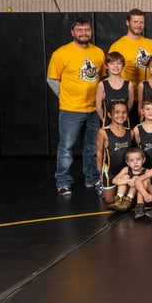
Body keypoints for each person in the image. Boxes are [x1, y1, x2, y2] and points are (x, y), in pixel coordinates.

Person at [46, 16, 106, 195]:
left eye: (87, 30)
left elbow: (101, 78)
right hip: (71, 110)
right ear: (72, 32)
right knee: (66, 148)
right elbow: (52, 79)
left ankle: (92, 178)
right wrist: (65, 96)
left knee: (92, 147)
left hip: (93, 110)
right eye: (79, 30)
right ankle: (63, 182)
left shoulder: (98, 52)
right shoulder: (61, 53)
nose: (83, 33)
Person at [108, 8, 152, 124]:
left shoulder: (151, 44)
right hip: (128, 98)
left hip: (148, 98)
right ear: (127, 23)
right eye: (135, 22)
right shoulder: (117, 46)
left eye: (141, 22)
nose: (139, 25)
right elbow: (111, 75)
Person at [95, 100, 132, 196]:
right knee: (109, 200)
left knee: (127, 197)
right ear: (109, 114)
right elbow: (99, 153)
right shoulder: (103, 132)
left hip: (126, 171)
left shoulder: (130, 132)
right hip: (110, 171)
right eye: (117, 112)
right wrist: (100, 173)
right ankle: (102, 186)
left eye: (124, 112)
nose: (121, 115)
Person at [95, 51, 134, 126]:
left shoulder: (129, 84)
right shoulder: (102, 84)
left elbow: (130, 105)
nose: (115, 66)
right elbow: (99, 107)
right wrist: (105, 122)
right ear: (106, 66)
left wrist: (121, 118)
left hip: (124, 123)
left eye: (119, 63)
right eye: (112, 63)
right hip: (108, 124)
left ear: (123, 66)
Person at [105, 147, 147, 212]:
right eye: (131, 160)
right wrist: (128, 181)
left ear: (143, 160)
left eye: (138, 159)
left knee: (136, 178)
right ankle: (119, 199)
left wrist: (135, 180)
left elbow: (147, 185)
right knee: (125, 177)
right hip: (125, 195)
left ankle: (129, 200)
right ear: (127, 162)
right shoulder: (126, 169)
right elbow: (114, 180)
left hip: (139, 196)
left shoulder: (147, 171)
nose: (135, 162)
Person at [132, 96, 152, 168]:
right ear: (142, 111)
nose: (151, 112)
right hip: (144, 167)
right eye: (147, 109)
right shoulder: (137, 129)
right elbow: (137, 148)